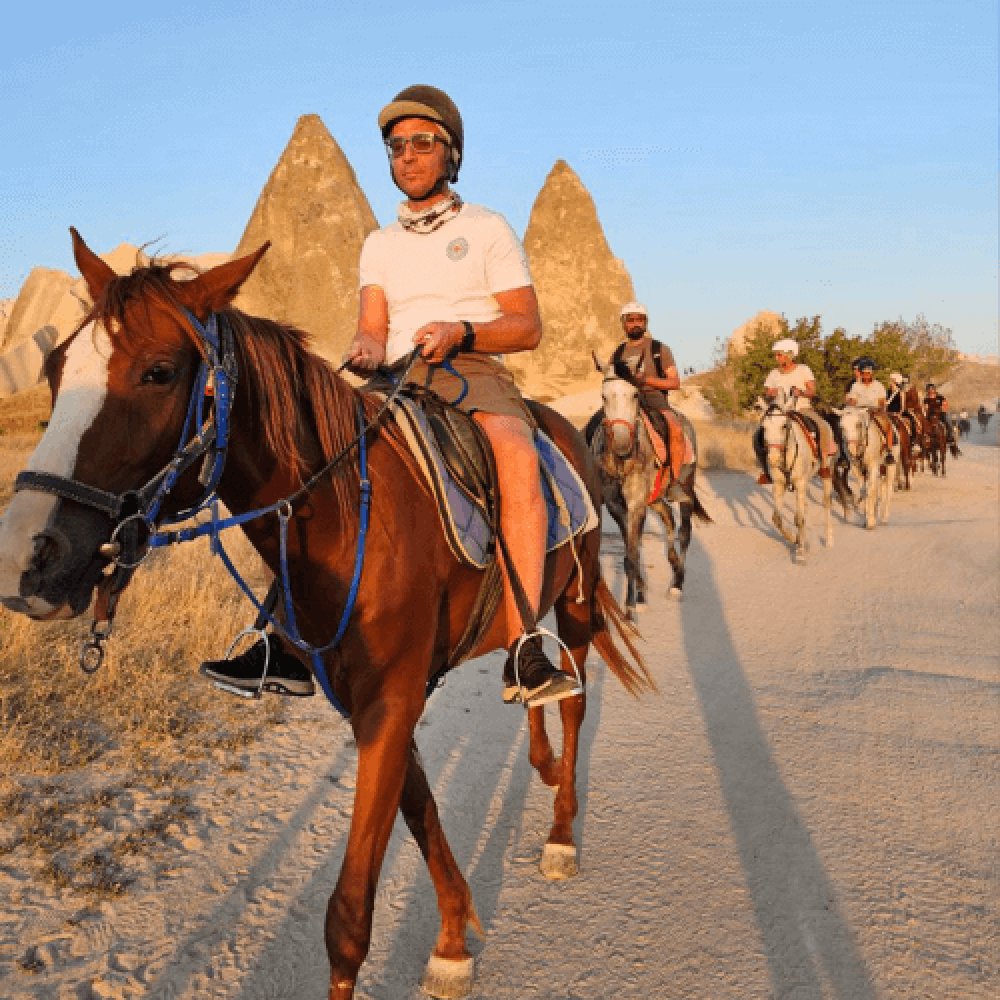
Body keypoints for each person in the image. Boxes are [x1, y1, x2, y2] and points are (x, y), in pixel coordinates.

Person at [202, 84, 580, 708]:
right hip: (396, 380)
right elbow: (373, 326)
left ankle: (525, 642)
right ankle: (285, 645)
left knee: (514, 451)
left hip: (470, 371)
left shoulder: (486, 227)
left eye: (422, 143)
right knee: (309, 469)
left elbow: (526, 325)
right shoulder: (379, 243)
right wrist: (365, 349)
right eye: (396, 145)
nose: (407, 155)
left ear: (449, 153)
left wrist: (463, 331)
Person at [607, 302, 688, 502]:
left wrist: (646, 380)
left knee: (675, 428)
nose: (636, 324)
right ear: (623, 323)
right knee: (594, 429)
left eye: (640, 320)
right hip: (624, 400)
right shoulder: (617, 353)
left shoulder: (659, 349)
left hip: (653, 398)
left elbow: (674, 382)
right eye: (631, 320)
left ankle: (674, 482)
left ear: (645, 323)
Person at [753, 338, 836, 484]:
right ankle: (766, 469)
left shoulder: (803, 369)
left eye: (779, 354)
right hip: (779, 412)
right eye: (776, 355)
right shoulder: (773, 373)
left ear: (789, 355)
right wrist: (770, 393)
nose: (776, 358)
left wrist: (801, 392)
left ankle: (823, 465)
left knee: (823, 426)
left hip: (802, 409)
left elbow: (812, 391)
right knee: (758, 434)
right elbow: (767, 391)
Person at [844, 357, 894, 462]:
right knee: (846, 424)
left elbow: (882, 401)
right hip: (859, 411)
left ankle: (889, 452)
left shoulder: (878, 385)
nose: (866, 375)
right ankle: (844, 452)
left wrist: (880, 409)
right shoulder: (855, 386)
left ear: (872, 373)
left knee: (888, 425)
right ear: (861, 373)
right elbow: (852, 400)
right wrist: (851, 403)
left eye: (869, 373)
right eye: (864, 373)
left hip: (875, 411)